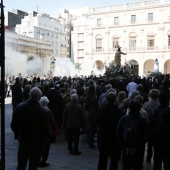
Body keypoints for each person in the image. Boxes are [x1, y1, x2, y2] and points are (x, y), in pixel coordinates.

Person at [11, 87, 50, 170]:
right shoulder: (42, 110)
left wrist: (19, 135)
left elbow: (13, 125)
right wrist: (43, 143)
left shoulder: (20, 107)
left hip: (23, 141)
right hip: (36, 144)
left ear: (29, 95)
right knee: (33, 166)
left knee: (21, 165)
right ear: (39, 97)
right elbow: (46, 130)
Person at [116, 100, 148, 170]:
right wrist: (136, 148)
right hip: (138, 149)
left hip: (126, 147)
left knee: (126, 167)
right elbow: (145, 137)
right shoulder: (143, 121)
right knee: (137, 166)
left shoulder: (123, 119)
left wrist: (124, 147)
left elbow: (118, 134)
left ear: (129, 108)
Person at [97, 92, 123, 170]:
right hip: (114, 137)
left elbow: (98, 122)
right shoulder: (118, 111)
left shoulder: (102, 109)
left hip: (104, 136)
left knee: (102, 157)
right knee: (114, 159)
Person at [148, 92, 170, 170]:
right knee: (167, 161)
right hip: (167, 140)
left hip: (156, 139)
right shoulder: (168, 111)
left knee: (157, 161)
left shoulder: (154, 111)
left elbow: (149, 125)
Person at [39, 96, 57, 168]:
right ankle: (43, 161)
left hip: (38, 131)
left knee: (39, 147)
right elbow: (52, 121)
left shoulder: (38, 109)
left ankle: (38, 160)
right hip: (46, 131)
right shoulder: (47, 110)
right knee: (46, 148)